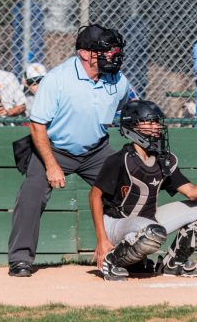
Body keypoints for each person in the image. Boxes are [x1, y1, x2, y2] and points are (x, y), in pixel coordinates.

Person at [7, 24, 131, 277]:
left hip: (96, 149)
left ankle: (130, 254)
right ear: (84, 53)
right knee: (32, 194)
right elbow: (37, 125)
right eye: (104, 50)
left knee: (128, 190)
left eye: (114, 49)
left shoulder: (117, 79)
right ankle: (20, 259)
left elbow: (129, 105)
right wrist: (51, 165)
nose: (112, 55)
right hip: (55, 149)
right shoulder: (57, 79)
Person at [89, 100, 197, 281]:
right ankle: (112, 261)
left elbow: (191, 191)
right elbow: (94, 196)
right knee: (154, 231)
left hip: (148, 223)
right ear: (133, 126)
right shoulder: (120, 160)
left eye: (157, 122)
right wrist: (102, 240)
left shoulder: (163, 159)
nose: (157, 126)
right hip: (116, 224)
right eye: (150, 122)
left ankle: (174, 264)